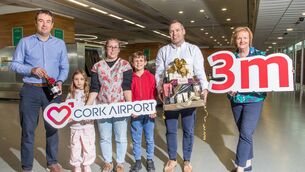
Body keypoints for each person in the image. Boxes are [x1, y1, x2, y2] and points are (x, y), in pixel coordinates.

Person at [9, 9, 69, 172]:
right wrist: (31, 69)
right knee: (28, 130)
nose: (44, 24)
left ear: (52, 25)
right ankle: (27, 167)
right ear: (36, 23)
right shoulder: (25, 42)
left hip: (52, 91)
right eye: (41, 21)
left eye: (48, 21)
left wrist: (59, 81)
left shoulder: (59, 44)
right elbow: (14, 64)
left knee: (52, 127)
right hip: (30, 90)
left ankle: (52, 162)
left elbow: (64, 67)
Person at [155, 20, 209, 172]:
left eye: (177, 30)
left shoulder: (193, 49)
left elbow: (199, 71)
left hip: (190, 95)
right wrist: (160, 88)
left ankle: (187, 160)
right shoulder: (163, 51)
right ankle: (172, 159)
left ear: (183, 31)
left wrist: (205, 88)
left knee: (188, 130)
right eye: (172, 31)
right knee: (171, 130)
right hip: (171, 95)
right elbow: (159, 73)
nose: (174, 34)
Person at [85, 38, 132, 172]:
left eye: (115, 47)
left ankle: (120, 163)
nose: (112, 49)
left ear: (119, 49)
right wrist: (87, 107)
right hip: (102, 107)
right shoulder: (97, 66)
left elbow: (127, 87)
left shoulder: (125, 65)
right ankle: (108, 162)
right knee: (104, 137)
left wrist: (130, 105)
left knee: (121, 137)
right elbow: (95, 88)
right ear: (106, 48)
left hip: (120, 107)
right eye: (110, 47)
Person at [228, 27, 266, 172]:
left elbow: (271, 73)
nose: (242, 40)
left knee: (245, 133)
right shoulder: (231, 59)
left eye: (245, 37)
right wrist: (229, 89)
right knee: (244, 133)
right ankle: (248, 163)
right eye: (239, 38)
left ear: (250, 39)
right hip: (236, 100)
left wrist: (286, 72)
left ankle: (240, 167)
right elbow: (225, 80)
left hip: (254, 100)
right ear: (235, 40)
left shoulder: (260, 56)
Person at [129, 51, 156, 172]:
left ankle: (150, 160)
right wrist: (131, 109)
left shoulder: (151, 77)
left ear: (145, 62)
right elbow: (128, 95)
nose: (139, 63)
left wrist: (153, 109)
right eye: (136, 61)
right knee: (136, 138)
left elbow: (153, 94)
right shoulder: (130, 78)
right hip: (135, 114)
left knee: (149, 138)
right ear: (132, 63)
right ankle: (138, 161)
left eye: (141, 60)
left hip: (149, 113)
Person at [66, 70, 95, 172]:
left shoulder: (90, 94)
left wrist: (90, 117)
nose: (79, 81)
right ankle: (76, 165)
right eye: (76, 79)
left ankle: (87, 165)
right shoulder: (70, 94)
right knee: (75, 147)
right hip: (75, 126)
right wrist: (67, 117)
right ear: (73, 81)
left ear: (85, 80)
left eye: (82, 79)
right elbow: (67, 109)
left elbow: (94, 109)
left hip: (88, 126)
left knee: (89, 146)